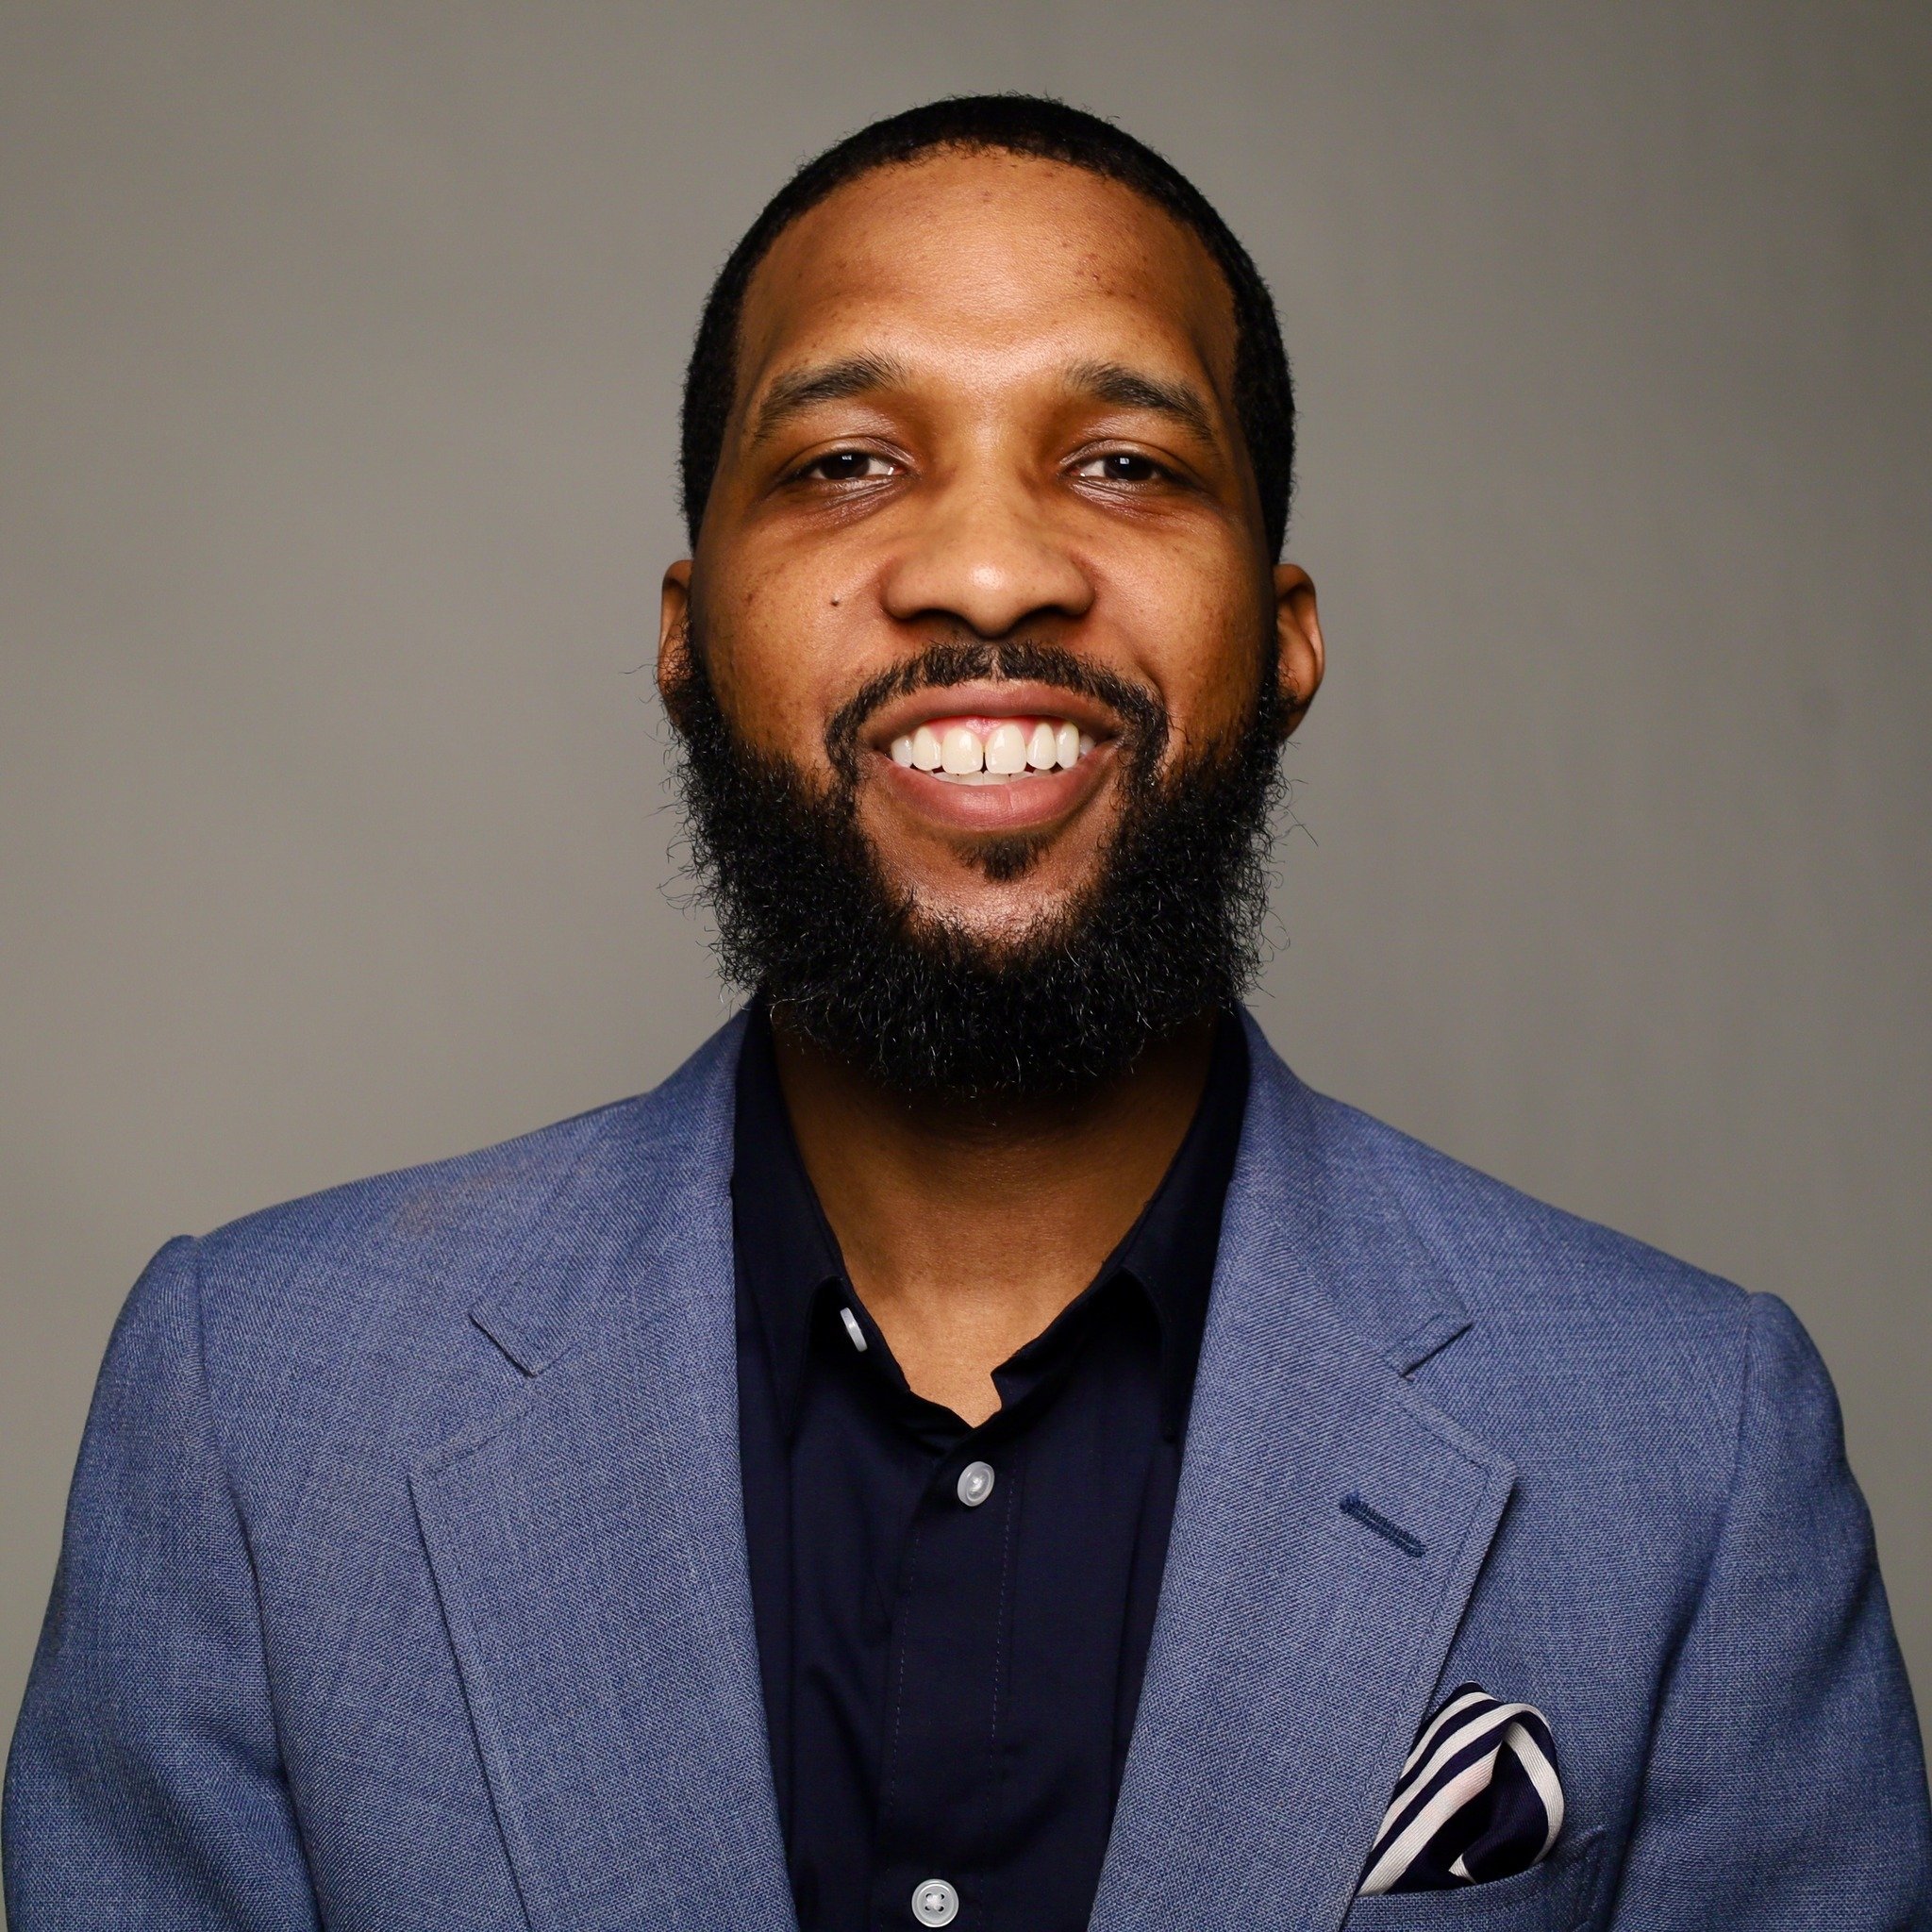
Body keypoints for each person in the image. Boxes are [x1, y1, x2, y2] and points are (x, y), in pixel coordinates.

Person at [5, 94, 1926, 1932]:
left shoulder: (1694, 1450)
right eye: (846, 463)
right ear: (685, 635)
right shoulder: (253, 1412)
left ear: (1281, 630)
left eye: (1123, 463)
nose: (992, 567)